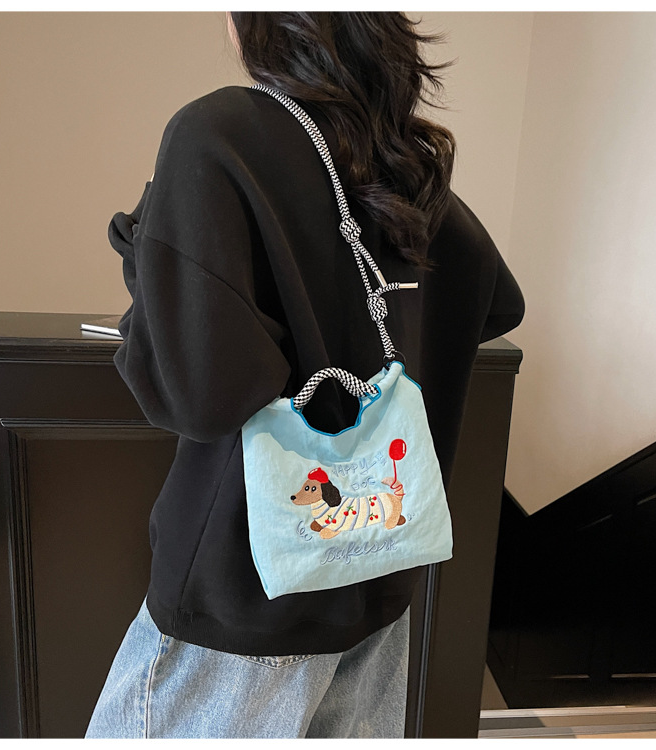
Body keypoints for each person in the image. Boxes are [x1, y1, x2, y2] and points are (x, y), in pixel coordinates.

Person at [85, 11, 525, 740]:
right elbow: (498, 300)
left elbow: (200, 395)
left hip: (246, 599)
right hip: (378, 581)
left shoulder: (218, 134)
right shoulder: (396, 156)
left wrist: (146, 254)